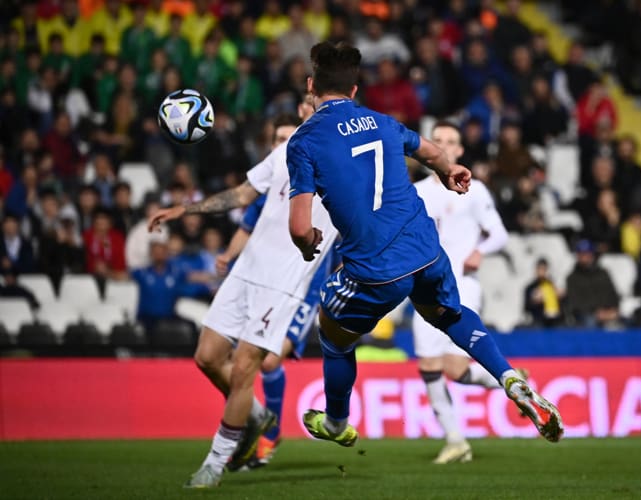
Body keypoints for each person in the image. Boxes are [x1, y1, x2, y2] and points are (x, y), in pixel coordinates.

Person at [286, 42, 562, 453]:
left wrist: (309, 244)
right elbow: (430, 151)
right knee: (450, 315)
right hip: (425, 251)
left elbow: (299, 225)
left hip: (374, 268)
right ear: (355, 90)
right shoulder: (381, 121)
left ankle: (337, 422)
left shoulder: (303, 141)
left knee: (333, 332)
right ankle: (508, 377)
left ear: (311, 86)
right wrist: (449, 170)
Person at [148, 107, 339, 488]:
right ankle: (257, 417)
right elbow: (242, 193)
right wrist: (185, 209)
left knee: (245, 370)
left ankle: (214, 466)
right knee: (207, 357)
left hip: (283, 283)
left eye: (312, 104)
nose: (305, 109)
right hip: (245, 273)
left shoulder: (346, 164)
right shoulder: (287, 151)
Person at [411, 121, 511, 464]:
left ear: (460, 149)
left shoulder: (474, 188)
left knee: (454, 367)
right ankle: (455, 440)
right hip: (424, 288)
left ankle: (510, 381)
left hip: (462, 285)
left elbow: (499, 234)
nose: (443, 146)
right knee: (429, 365)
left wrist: (480, 252)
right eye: (437, 140)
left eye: (450, 141)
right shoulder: (419, 190)